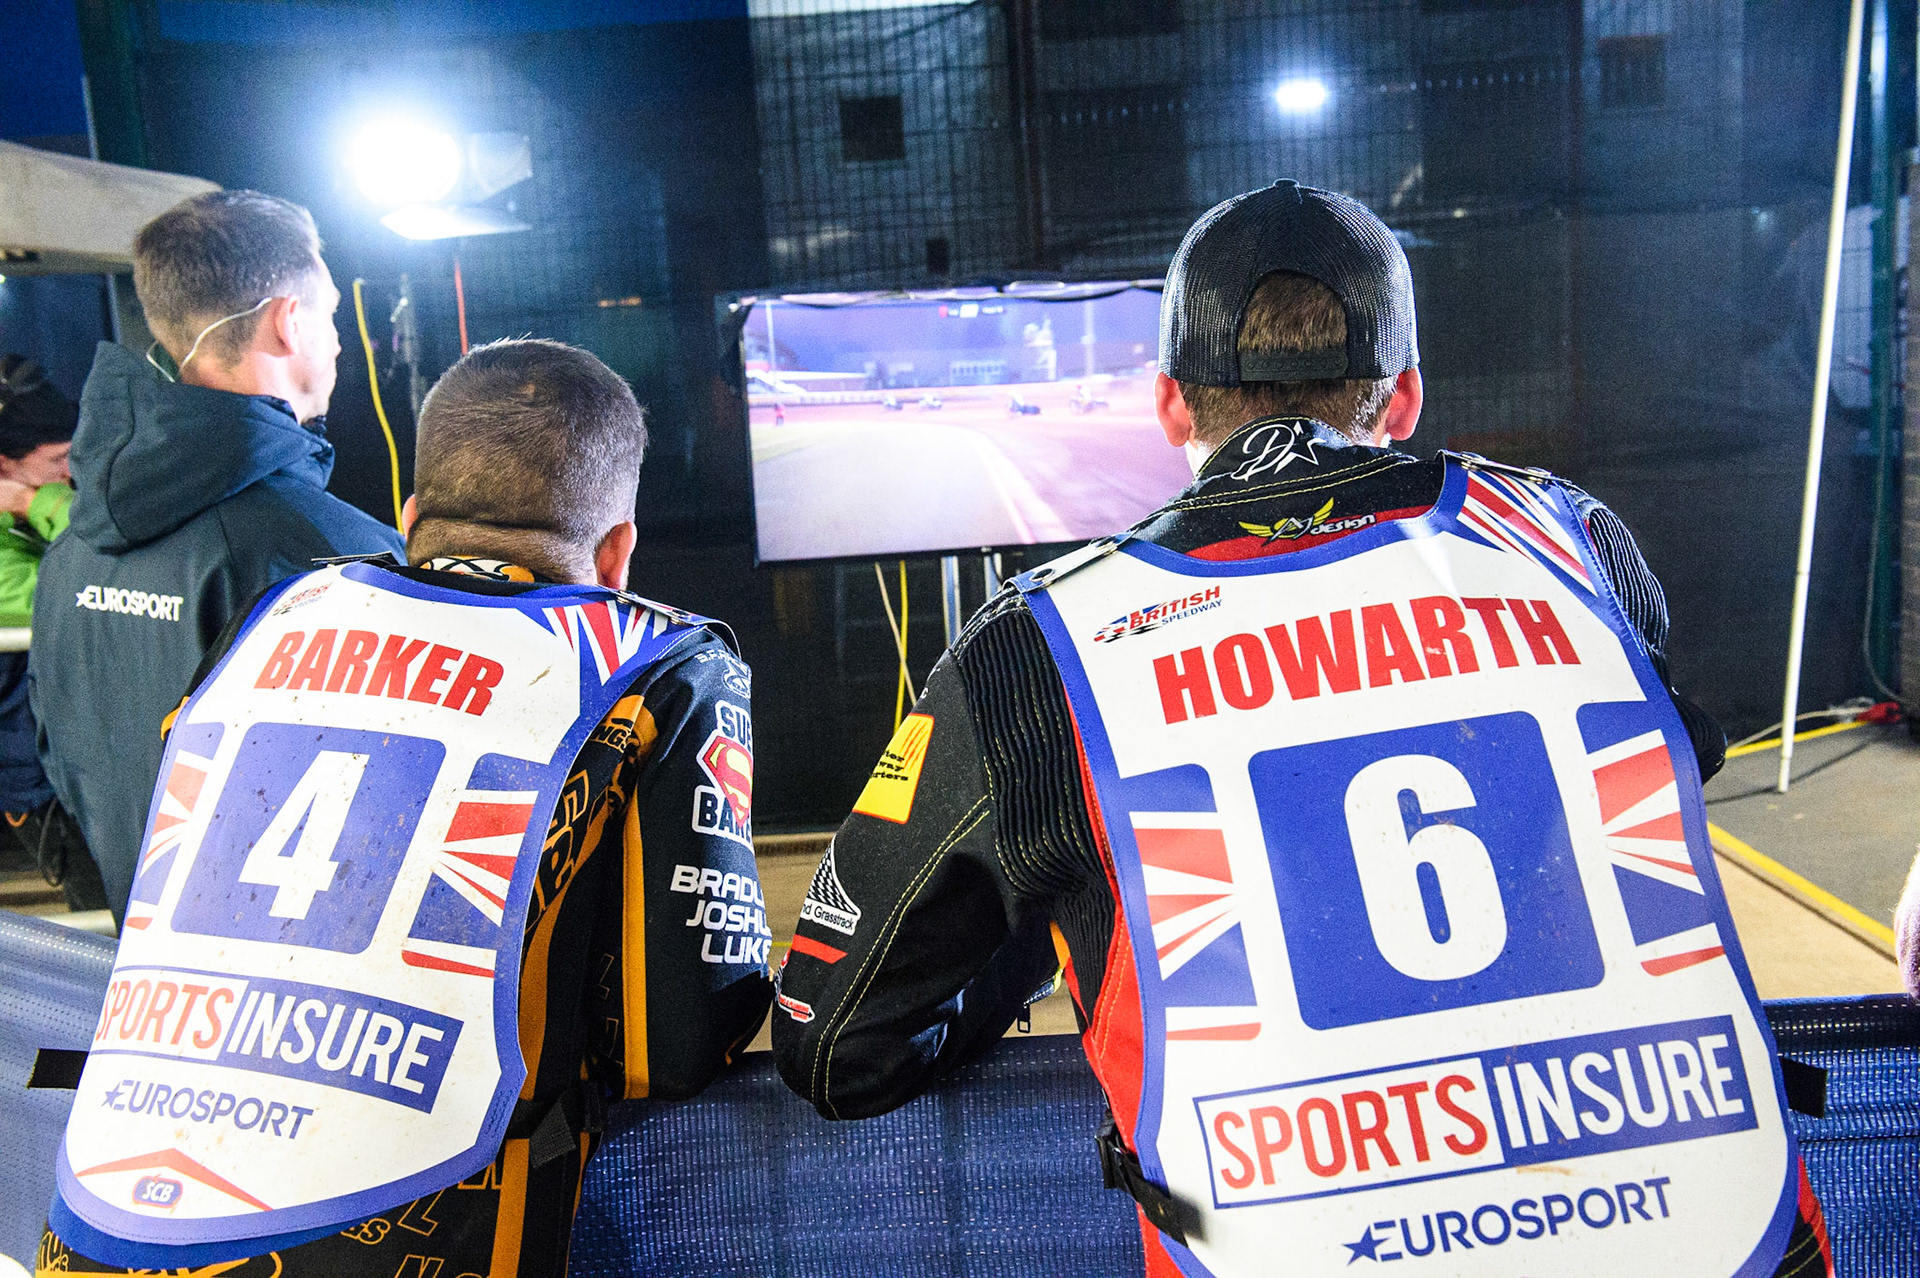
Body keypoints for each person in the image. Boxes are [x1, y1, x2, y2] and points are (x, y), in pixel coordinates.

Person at [773, 181, 1832, 1277]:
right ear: (1406, 395)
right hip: (1729, 1240)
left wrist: (1038, 938)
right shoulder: (1573, 538)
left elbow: (835, 1046)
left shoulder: (1036, 646)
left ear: (1171, 407)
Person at [43, 338, 773, 1278]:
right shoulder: (654, 665)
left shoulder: (275, 616)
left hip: (98, 1221)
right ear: (617, 549)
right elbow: (672, 1040)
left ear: (411, 516)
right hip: (395, 1236)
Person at [30, 190, 403, 921]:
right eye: (328, 316)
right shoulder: (332, 553)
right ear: (287, 322)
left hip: (144, 982)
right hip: (290, 999)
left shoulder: (71, 549)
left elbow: (63, 754)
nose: (339, 343)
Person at [0, 356, 105, 909]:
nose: (71, 474)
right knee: (106, 926)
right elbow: (85, 581)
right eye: (58, 461)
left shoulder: (24, 521)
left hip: (81, 765)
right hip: (48, 787)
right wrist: (35, 502)